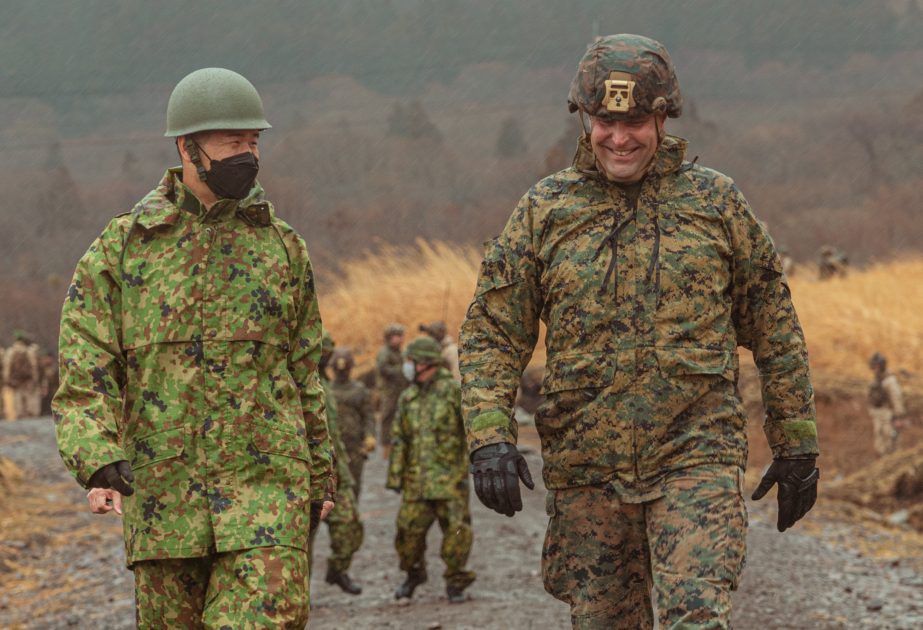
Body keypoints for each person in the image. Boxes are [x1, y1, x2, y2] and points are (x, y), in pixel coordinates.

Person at [460, 34, 819, 629]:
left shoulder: (715, 205)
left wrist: (796, 439)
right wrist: (489, 435)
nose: (619, 138)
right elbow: (494, 334)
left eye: (635, 122)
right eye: (604, 120)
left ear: (662, 117)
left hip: (695, 453)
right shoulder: (545, 211)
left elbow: (775, 325)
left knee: (696, 615)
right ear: (583, 118)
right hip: (586, 467)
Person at [53, 67, 334, 628]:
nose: (248, 156)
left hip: (266, 496)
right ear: (189, 148)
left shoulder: (281, 248)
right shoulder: (124, 249)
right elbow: (86, 366)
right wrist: (96, 458)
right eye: (233, 143)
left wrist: (321, 477)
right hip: (164, 501)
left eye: (254, 143)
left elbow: (304, 372)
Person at [386, 336, 475, 604]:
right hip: (416, 483)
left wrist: (478, 466)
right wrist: (395, 477)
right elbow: (399, 438)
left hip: (450, 482)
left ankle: (455, 582)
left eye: (411, 362)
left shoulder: (453, 392)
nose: (407, 367)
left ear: (426, 363)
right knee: (406, 535)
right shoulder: (408, 396)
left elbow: (469, 433)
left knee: (457, 535)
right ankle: (414, 574)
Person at [311, 332, 365, 595]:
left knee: (351, 526)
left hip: (336, 470)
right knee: (302, 543)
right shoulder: (294, 384)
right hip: (308, 473)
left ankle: (337, 570)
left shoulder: (324, 387)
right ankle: (299, 595)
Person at [330, 347, 377, 496]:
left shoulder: (360, 390)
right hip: (331, 449)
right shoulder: (325, 391)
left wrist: (370, 435)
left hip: (355, 448)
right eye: (339, 370)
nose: (342, 373)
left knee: (353, 488)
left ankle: (352, 517)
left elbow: (368, 416)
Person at [376, 323, 408, 458]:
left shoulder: (398, 352)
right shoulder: (385, 353)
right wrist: (401, 370)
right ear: (389, 337)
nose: (400, 339)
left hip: (400, 391)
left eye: (401, 336)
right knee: (387, 419)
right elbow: (383, 369)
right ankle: (386, 450)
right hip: (389, 392)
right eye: (397, 336)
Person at [868, 352, 906, 456]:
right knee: (880, 441)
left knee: (890, 440)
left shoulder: (889, 381)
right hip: (878, 415)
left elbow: (896, 399)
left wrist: (898, 417)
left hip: (888, 415)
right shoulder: (877, 380)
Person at [2, 330, 41, 419]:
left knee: (17, 396)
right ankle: (29, 414)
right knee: (28, 395)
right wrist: (35, 378)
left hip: (15, 379)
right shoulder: (28, 351)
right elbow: (33, 366)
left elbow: (7, 366)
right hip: (27, 378)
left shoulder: (11, 351)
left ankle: (20, 414)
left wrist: (7, 379)